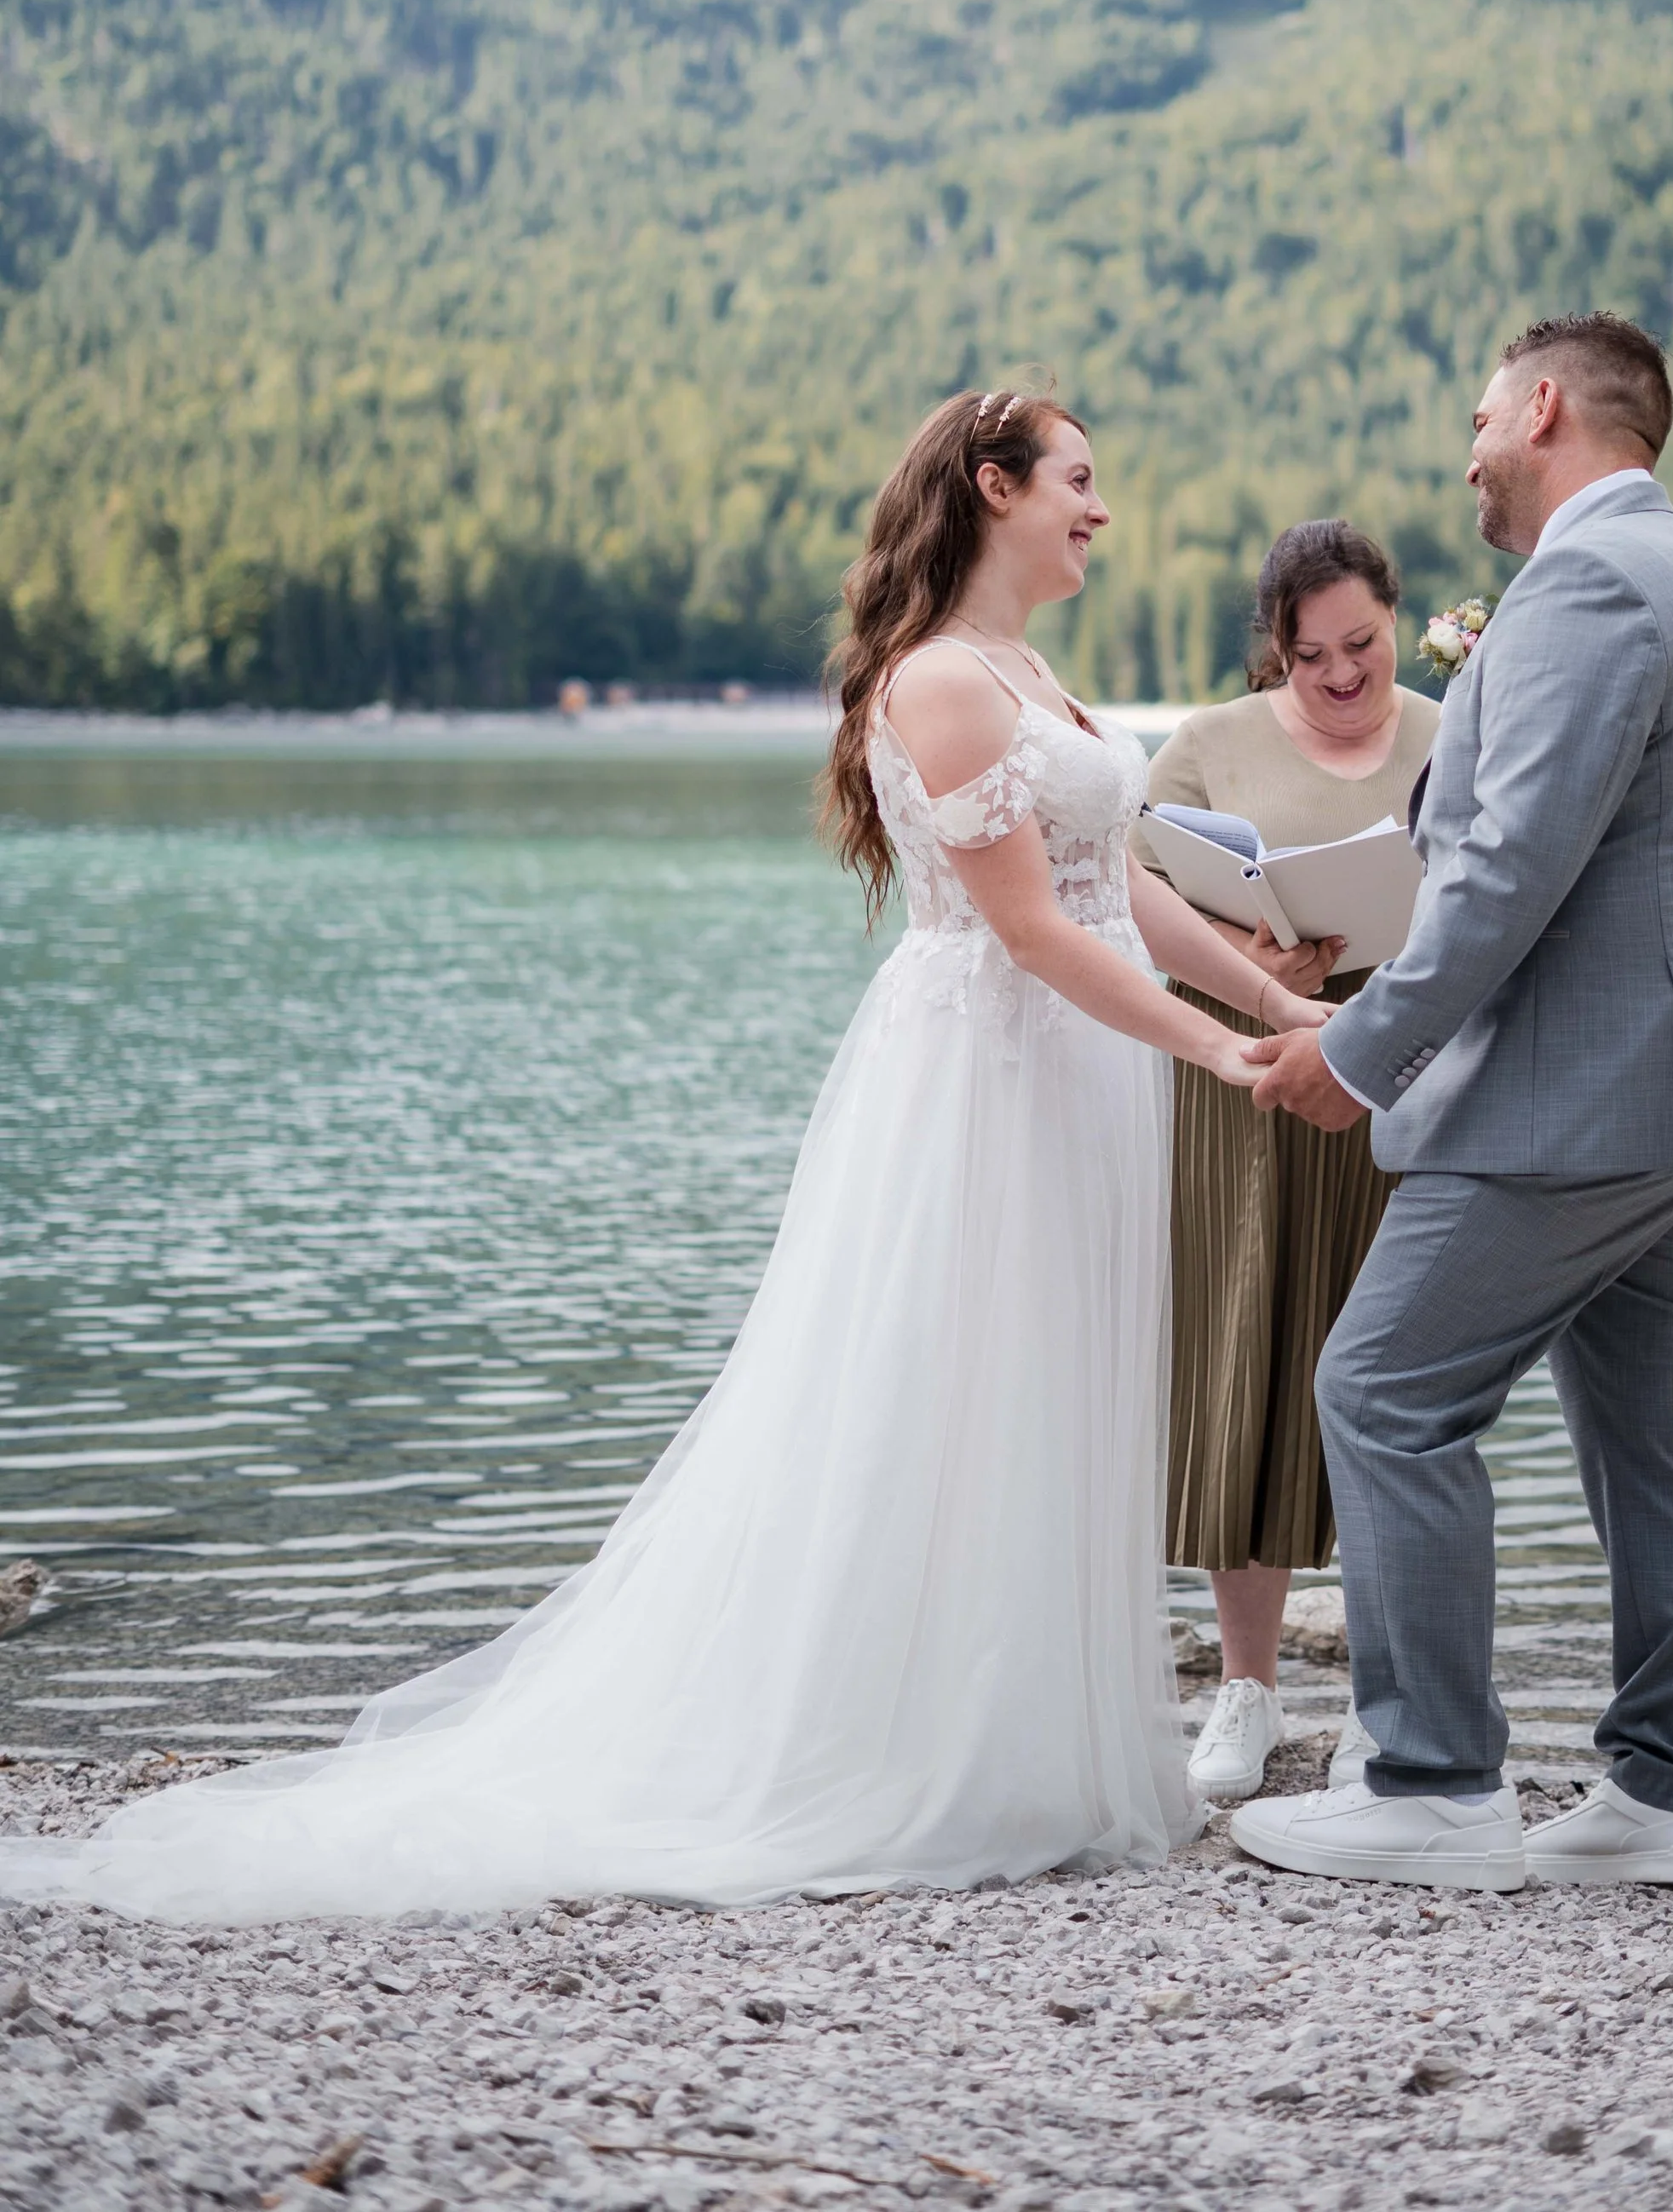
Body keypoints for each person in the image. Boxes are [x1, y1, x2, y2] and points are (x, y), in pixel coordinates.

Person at [0, 389, 1331, 1922]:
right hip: (996, 1078)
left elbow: (1117, 889)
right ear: (993, 486)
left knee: (1054, 1392)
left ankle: (1037, 1740)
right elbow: (1030, 932)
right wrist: (1224, 1053)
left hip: (1079, 1075)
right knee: (963, 1396)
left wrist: (1266, 990)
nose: (1102, 509)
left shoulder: (1030, 671)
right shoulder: (947, 684)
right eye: (1080, 482)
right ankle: (926, 1750)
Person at [1232, 313, 1673, 1893]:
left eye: (1482, 419)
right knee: (1660, 1436)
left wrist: (1356, 1055)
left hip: (1587, 1088)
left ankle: (1431, 1782)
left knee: (1386, 1387)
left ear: (1544, 405)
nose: (1470, 451)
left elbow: (1504, 878)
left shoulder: (1595, 579)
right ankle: (1665, 1797)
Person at [1130, 522, 1438, 1807]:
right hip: (1251, 1065)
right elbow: (1128, 891)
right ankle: (1245, 1691)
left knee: (1396, 1371)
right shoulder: (1209, 741)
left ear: (1391, 621)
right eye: (1309, 654)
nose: (1340, 672)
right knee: (1241, 1360)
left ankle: (1395, 1701)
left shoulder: (1448, 729)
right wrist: (1257, 965)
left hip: (1410, 1059)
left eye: (1360, 643)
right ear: (1277, 649)